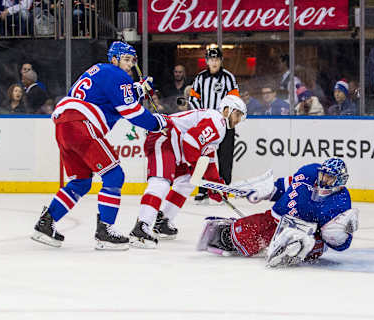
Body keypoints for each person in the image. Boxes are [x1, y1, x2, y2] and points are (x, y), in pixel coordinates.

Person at [31, 41, 170, 251]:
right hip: (81, 125)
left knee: (81, 182)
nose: (130, 64)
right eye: (125, 59)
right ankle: (105, 231)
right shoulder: (117, 74)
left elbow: (107, 99)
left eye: (132, 60)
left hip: (64, 126)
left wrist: (137, 91)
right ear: (114, 59)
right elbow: (131, 112)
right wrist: (159, 122)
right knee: (114, 176)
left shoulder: (99, 71)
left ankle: (46, 222)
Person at [128, 95, 247, 248]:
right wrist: (196, 166)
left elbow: (208, 158)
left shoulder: (220, 127)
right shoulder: (218, 121)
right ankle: (141, 227)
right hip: (164, 135)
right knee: (161, 181)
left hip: (175, 144)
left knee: (186, 181)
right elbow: (191, 141)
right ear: (226, 110)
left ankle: (162, 220)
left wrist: (215, 185)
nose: (238, 120)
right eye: (237, 115)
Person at [197, 158, 358, 267]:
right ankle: (233, 230)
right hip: (276, 220)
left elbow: (340, 243)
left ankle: (295, 247)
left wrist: (340, 235)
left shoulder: (341, 202)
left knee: (299, 244)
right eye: (323, 174)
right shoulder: (309, 173)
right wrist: (266, 191)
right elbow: (286, 186)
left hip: (308, 234)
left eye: (329, 177)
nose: (323, 179)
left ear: (340, 180)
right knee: (227, 236)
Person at [189, 47, 240, 203]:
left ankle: (223, 189)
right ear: (207, 61)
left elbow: (234, 101)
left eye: (217, 59)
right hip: (207, 125)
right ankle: (203, 189)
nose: (214, 62)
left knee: (225, 158)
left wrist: (226, 118)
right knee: (204, 157)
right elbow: (193, 98)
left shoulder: (228, 78)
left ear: (221, 60)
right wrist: (202, 114)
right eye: (211, 59)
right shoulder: (200, 78)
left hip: (225, 125)